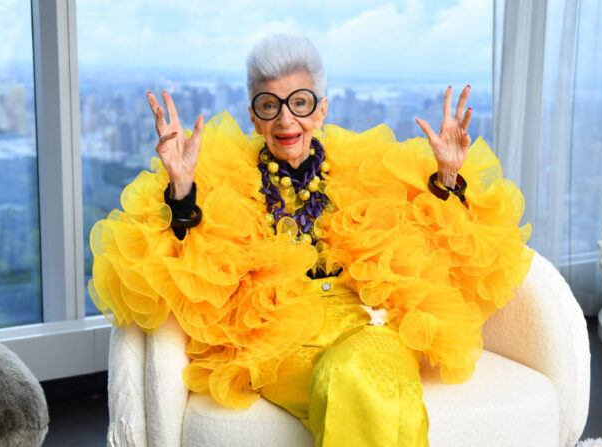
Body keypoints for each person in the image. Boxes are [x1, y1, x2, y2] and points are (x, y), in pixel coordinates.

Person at [89, 34, 533, 446]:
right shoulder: (223, 175)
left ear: (320, 110)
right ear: (254, 116)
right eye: (270, 105)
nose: (286, 119)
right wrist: (183, 188)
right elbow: (183, 268)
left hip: (368, 321)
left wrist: (450, 176)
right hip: (278, 341)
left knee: (354, 373)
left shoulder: (366, 166)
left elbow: (435, 239)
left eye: (300, 103)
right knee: (352, 385)